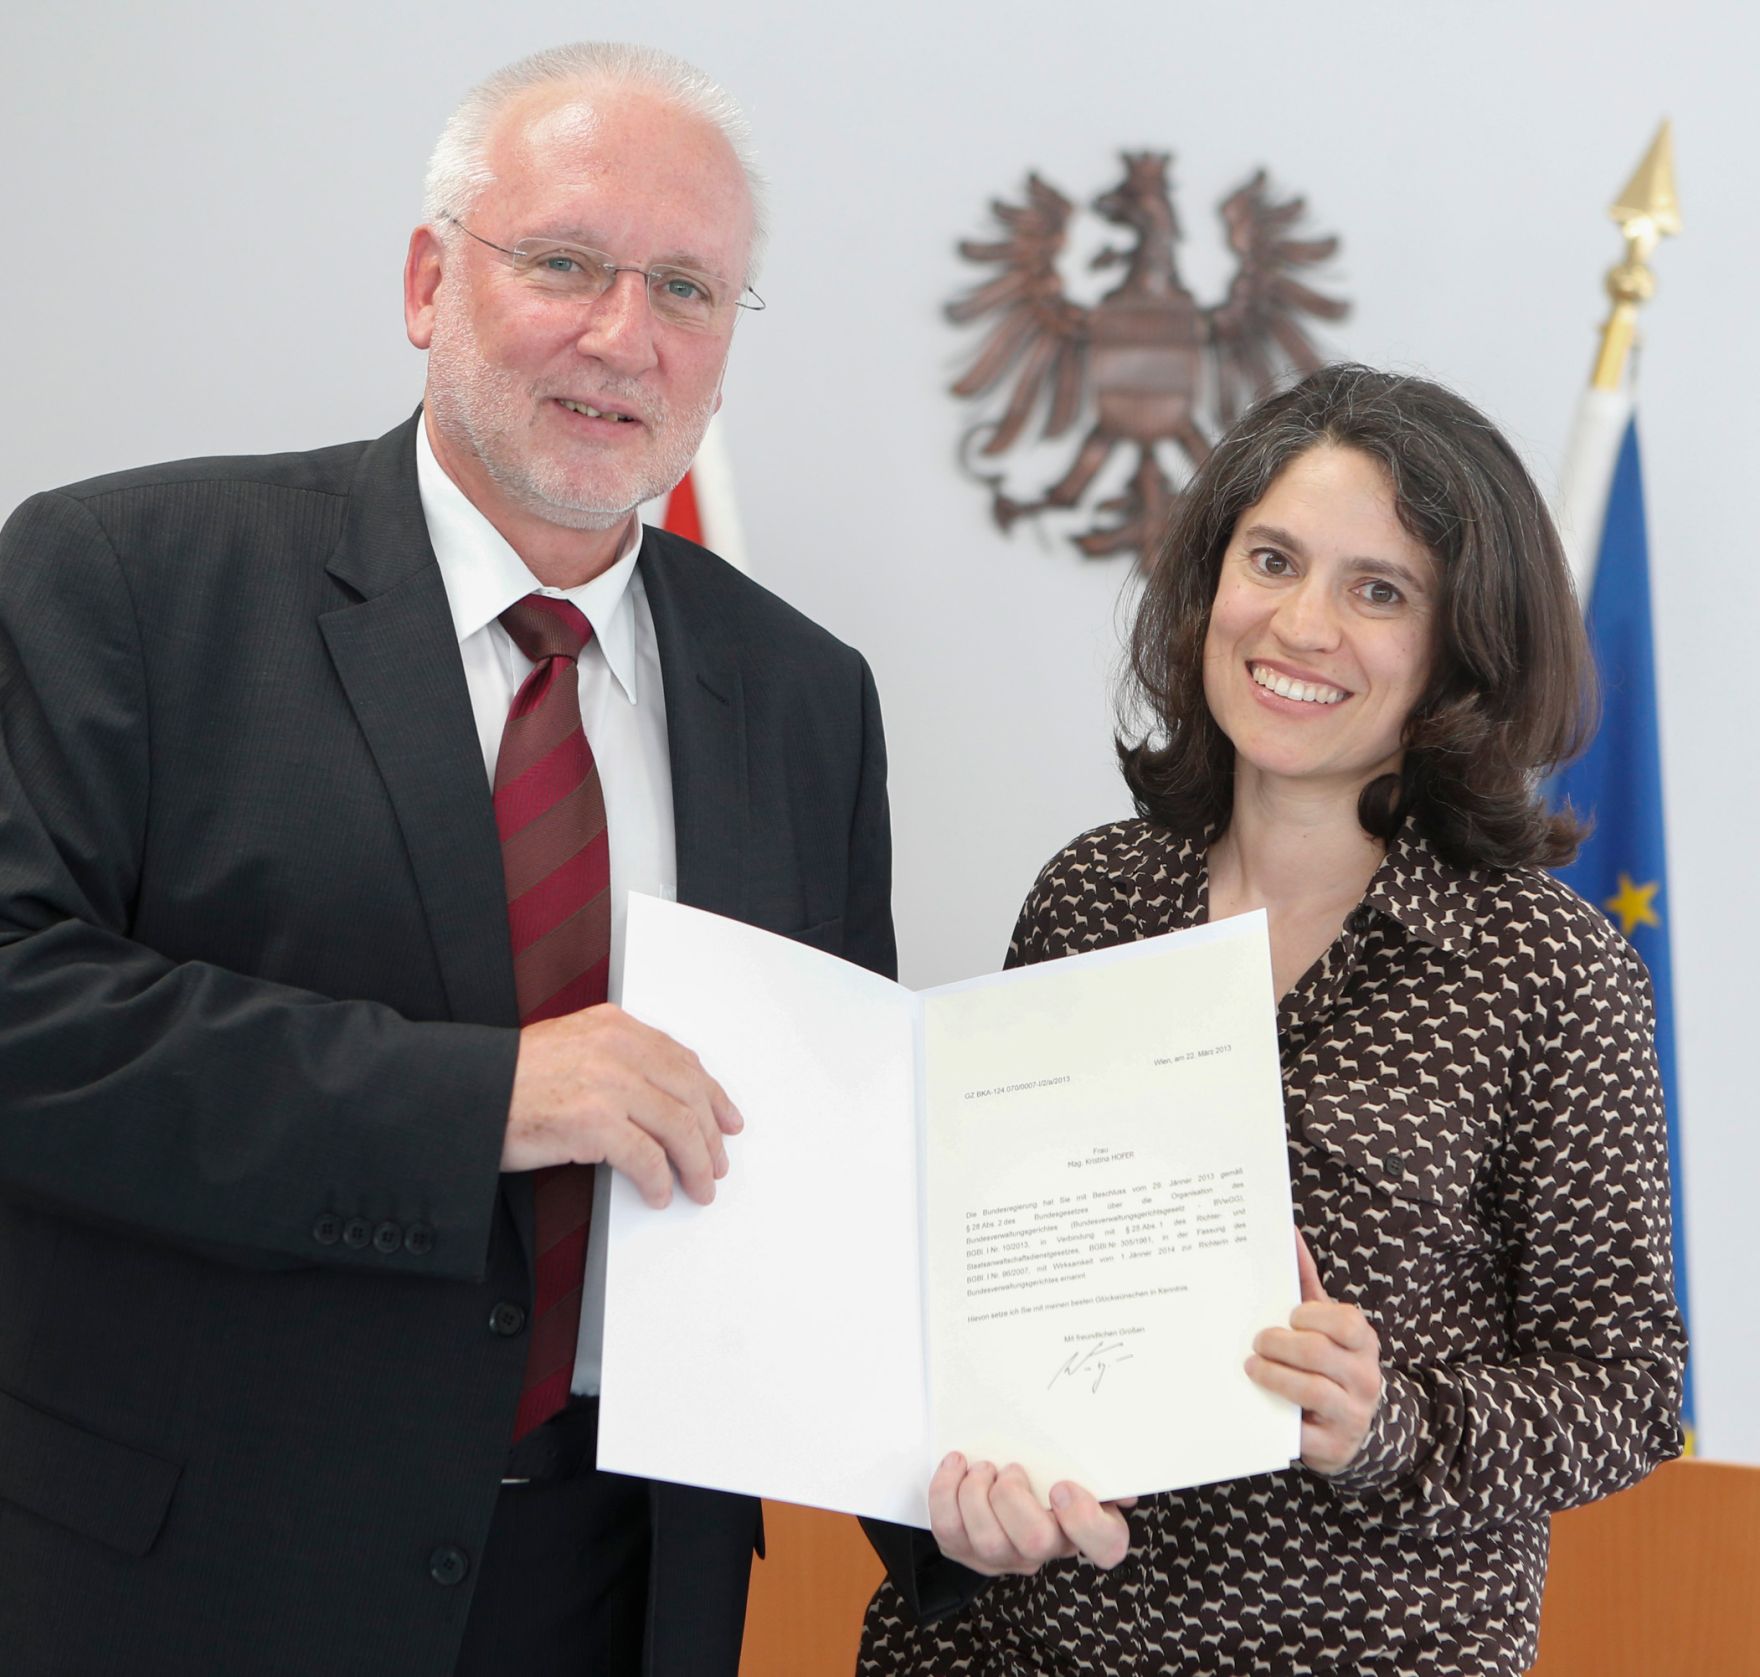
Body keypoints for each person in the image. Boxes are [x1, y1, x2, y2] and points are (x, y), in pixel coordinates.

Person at [0, 42, 892, 1677]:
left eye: (688, 288)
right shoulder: (127, 578)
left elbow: (825, 1144)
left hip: (624, 1588)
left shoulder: (804, 695)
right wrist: (484, 1098)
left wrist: (972, 1461)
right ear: (429, 281)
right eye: (565, 262)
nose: (626, 336)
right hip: (203, 1574)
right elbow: (22, 1018)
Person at [858, 364, 1684, 1675]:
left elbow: (1632, 1387)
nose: (1303, 624)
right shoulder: (1091, 895)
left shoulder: (1546, 966)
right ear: (1208, 583)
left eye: (1378, 589)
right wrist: (971, 1496)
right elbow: (977, 1291)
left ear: (1459, 644)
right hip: (1026, 1643)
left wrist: (1389, 1419)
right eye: (1273, 559)